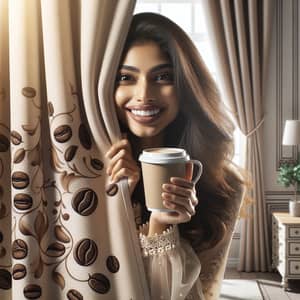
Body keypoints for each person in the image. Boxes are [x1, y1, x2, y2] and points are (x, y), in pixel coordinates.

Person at [105, 12, 245, 300]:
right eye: (125, 78)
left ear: (186, 86)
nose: (144, 94)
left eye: (163, 76)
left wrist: (161, 225)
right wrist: (120, 204)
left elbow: (202, 294)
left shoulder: (224, 186)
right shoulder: (84, 169)